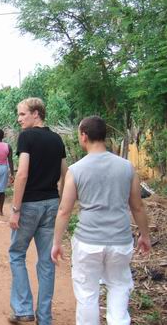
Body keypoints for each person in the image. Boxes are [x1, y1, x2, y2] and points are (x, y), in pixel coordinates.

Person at [51, 116, 151, 325]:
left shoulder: (76, 170)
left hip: (88, 241)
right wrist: (145, 235)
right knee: (119, 287)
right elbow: (137, 206)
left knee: (87, 293)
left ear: (84, 136)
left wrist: (56, 243)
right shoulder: (126, 167)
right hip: (120, 240)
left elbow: (64, 210)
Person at [8, 97, 68, 325]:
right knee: (46, 261)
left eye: (22, 114)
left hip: (30, 206)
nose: (19, 119)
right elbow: (65, 175)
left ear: (36, 113)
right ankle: (45, 318)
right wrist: (61, 204)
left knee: (16, 254)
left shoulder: (27, 137)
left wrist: (15, 209)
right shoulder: (57, 139)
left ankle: (23, 309)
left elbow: (22, 174)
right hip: (52, 203)